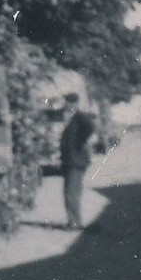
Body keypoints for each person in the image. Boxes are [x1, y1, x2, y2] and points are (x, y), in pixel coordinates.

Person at [58, 93, 95, 230]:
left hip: (76, 160)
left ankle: (74, 222)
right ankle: (74, 221)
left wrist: (80, 142)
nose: (65, 105)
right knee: (72, 192)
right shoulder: (71, 117)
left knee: (71, 193)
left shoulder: (79, 116)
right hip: (71, 160)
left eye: (68, 102)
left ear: (73, 103)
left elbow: (90, 128)